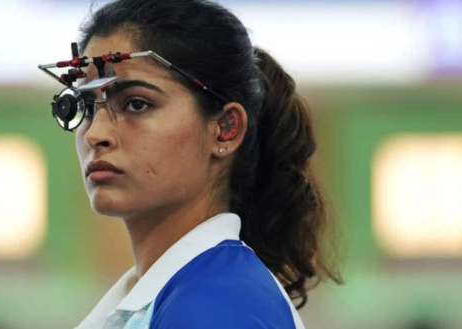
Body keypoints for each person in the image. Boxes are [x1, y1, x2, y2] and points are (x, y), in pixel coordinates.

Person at [63, 0, 343, 328]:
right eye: (84, 105)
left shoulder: (216, 306)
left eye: (137, 104)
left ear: (225, 129)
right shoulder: (176, 292)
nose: (96, 134)